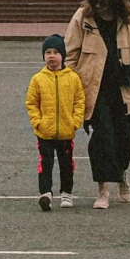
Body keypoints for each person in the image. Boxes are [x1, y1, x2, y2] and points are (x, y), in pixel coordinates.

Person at [63, 0, 130, 209]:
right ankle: (102, 190)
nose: (100, 6)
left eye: (105, 1)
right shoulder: (82, 17)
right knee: (102, 137)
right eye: (97, 1)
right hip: (94, 88)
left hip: (124, 86)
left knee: (125, 137)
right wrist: (67, 87)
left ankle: (122, 174)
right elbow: (70, 54)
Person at [25, 33, 85, 211]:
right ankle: (45, 194)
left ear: (63, 56)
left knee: (66, 163)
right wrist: (38, 122)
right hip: (45, 131)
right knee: (46, 163)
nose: (52, 56)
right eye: (48, 52)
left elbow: (79, 101)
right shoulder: (38, 79)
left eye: (56, 52)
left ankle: (66, 192)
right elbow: (31, 103)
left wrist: (75, 122)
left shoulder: (72, 78)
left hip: (66, 130)